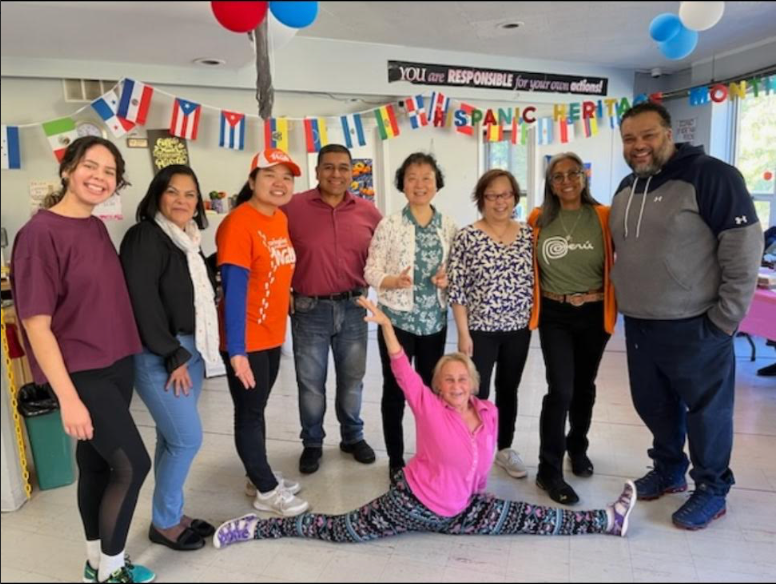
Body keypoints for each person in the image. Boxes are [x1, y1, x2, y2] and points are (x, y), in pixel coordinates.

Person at [211, 298, 637, 549]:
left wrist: (476, 497)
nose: (456, 385)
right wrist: (386, 326)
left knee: (535, 518)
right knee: (339, 529)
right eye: (447, 379)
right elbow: (401, 367)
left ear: (473, 382)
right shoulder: (429, 406)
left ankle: (609, 521)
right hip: (411, 503)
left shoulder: (488, 413)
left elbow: (479, 468)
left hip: (463, 510)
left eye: (462, 378)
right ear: (437, 386)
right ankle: (257, 528)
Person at [610, 102, 763, 530]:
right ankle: (669, 469)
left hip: (696, 324)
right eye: (629, 138)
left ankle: (712, 488)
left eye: (648, 135)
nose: (638, 145)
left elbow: (743, 251)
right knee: (653, 404)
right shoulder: (627, 185)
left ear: (669, 133)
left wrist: (724, 320)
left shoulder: (713, 176)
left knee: (706, 412)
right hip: (639, 323)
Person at [10, 137, 154, 583]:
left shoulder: (94, 226)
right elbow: (36, 325)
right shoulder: (39, 235)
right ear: (68, 170)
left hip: (117, 361)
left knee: (97, 464)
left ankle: (96, 561)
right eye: (91, 166)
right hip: (82, 372)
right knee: (133, 464)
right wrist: (69, 398)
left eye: (110, 172)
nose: (100, 177)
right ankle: (111, 570)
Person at [120, 165, 220, 551]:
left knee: (171, 438)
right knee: (187, 439)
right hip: (161, 354)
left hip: (190, 350)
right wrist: (171, 353)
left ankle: (171, 513)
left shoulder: (188, 241)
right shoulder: (145, 236)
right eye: (173, 192)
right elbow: (141, 300)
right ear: (157, 195)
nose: (182, 200)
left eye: (190, 194)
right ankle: (163, 523)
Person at [216, 149, 309, 517]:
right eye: (270, 175)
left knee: (256, 409)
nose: (279, 183)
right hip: (247, 339)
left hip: (271, 334)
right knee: (249, 413)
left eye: (287, 177)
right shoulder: (238, 223)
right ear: (252, 181)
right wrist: (237, 350)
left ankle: (258, 475)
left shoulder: (279, 219)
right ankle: (267, 491)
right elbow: (234, 290)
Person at [281, 144, 382, 474]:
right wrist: (283, 290)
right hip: (309, 309)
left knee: (352, 380)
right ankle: (312, 442)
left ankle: (352, 437)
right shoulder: (292, 208)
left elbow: (386, 255)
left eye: (343, 167)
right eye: (328, 167)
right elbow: (274, 250)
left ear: (352, 172)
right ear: (317, 171)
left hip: (354, 308)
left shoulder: (368, 212)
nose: (335, 174)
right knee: (311, 383)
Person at [527, 153, 617, 505]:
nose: (566, 181)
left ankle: (577, 447)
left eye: (573, 173)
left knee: (584, 387)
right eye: (558, 176)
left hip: (594, 312)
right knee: (560, 389)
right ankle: (548, 470)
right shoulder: (538, 219)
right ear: (550, 184)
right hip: (554, 313)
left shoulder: (604, 216)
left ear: (584, 177)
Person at [364, 152, 458, 481]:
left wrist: (447, 279)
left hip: (434, 323)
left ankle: (431, 456)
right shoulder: (389, 225)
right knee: (395, 391)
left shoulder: (448, 226)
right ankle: (395, 461)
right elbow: (371, 270)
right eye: (412, 178)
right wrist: (392, 281)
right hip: (397, 324)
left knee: (432, 394)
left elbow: (457, 271)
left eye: (426, 178)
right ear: (402, 184)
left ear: (436, 184)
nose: (420, 184)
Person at [448, 169, 533, 480]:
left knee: (509, 389)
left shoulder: (528, 235)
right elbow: (457, 288)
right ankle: (473, 447)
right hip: (479, 330)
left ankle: (505, 448)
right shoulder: (467, 237)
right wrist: (463, 333)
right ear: (481, 199)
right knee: (477, 392)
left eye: (506, 194)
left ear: (515, 198)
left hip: (518, 329)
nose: (500, 201)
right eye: (492, 195)